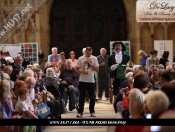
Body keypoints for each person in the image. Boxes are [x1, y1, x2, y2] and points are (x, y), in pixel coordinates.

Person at [76, 46, 99, 117]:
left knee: (92, 97)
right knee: (81, 97)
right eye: (87, 53)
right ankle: (80, 112)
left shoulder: (94, 58)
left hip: (91, 80)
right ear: (85, 52)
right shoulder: (81, 58)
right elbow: (77, 69)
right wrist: (82, 72)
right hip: (82, 80)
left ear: (91, 52)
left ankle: (92, 111)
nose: (88, 54)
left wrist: (91, 64)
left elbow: (97, 69)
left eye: (90, 53)